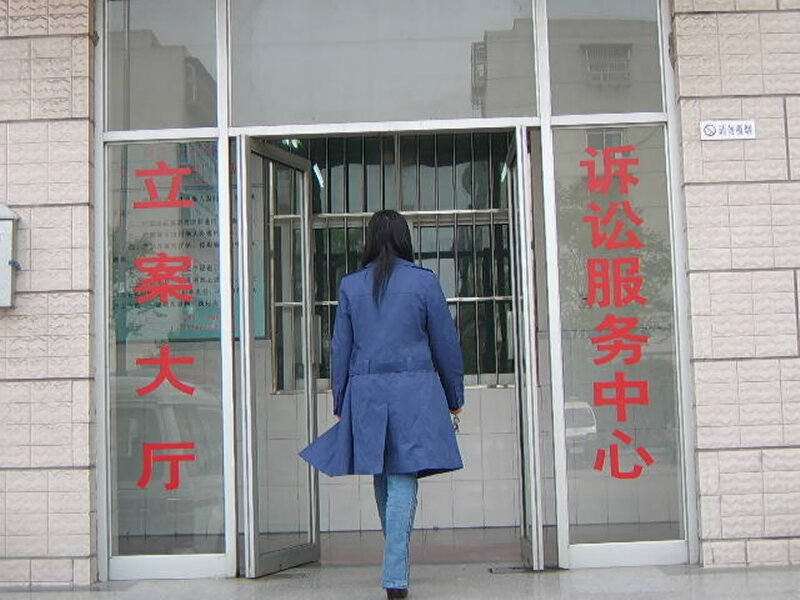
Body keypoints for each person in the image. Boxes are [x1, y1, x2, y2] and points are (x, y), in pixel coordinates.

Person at [300, 209, 464, 599]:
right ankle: (395, 575)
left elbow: (341, 347)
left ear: (370, 240)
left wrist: (340, 397)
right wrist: (454, 397)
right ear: (405, 238)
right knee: (403, 474)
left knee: (382, 472)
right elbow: (446, 343)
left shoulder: (351, 285)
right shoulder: (424, 282)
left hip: (367, 391)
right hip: (414, 392)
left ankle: (395, 564)